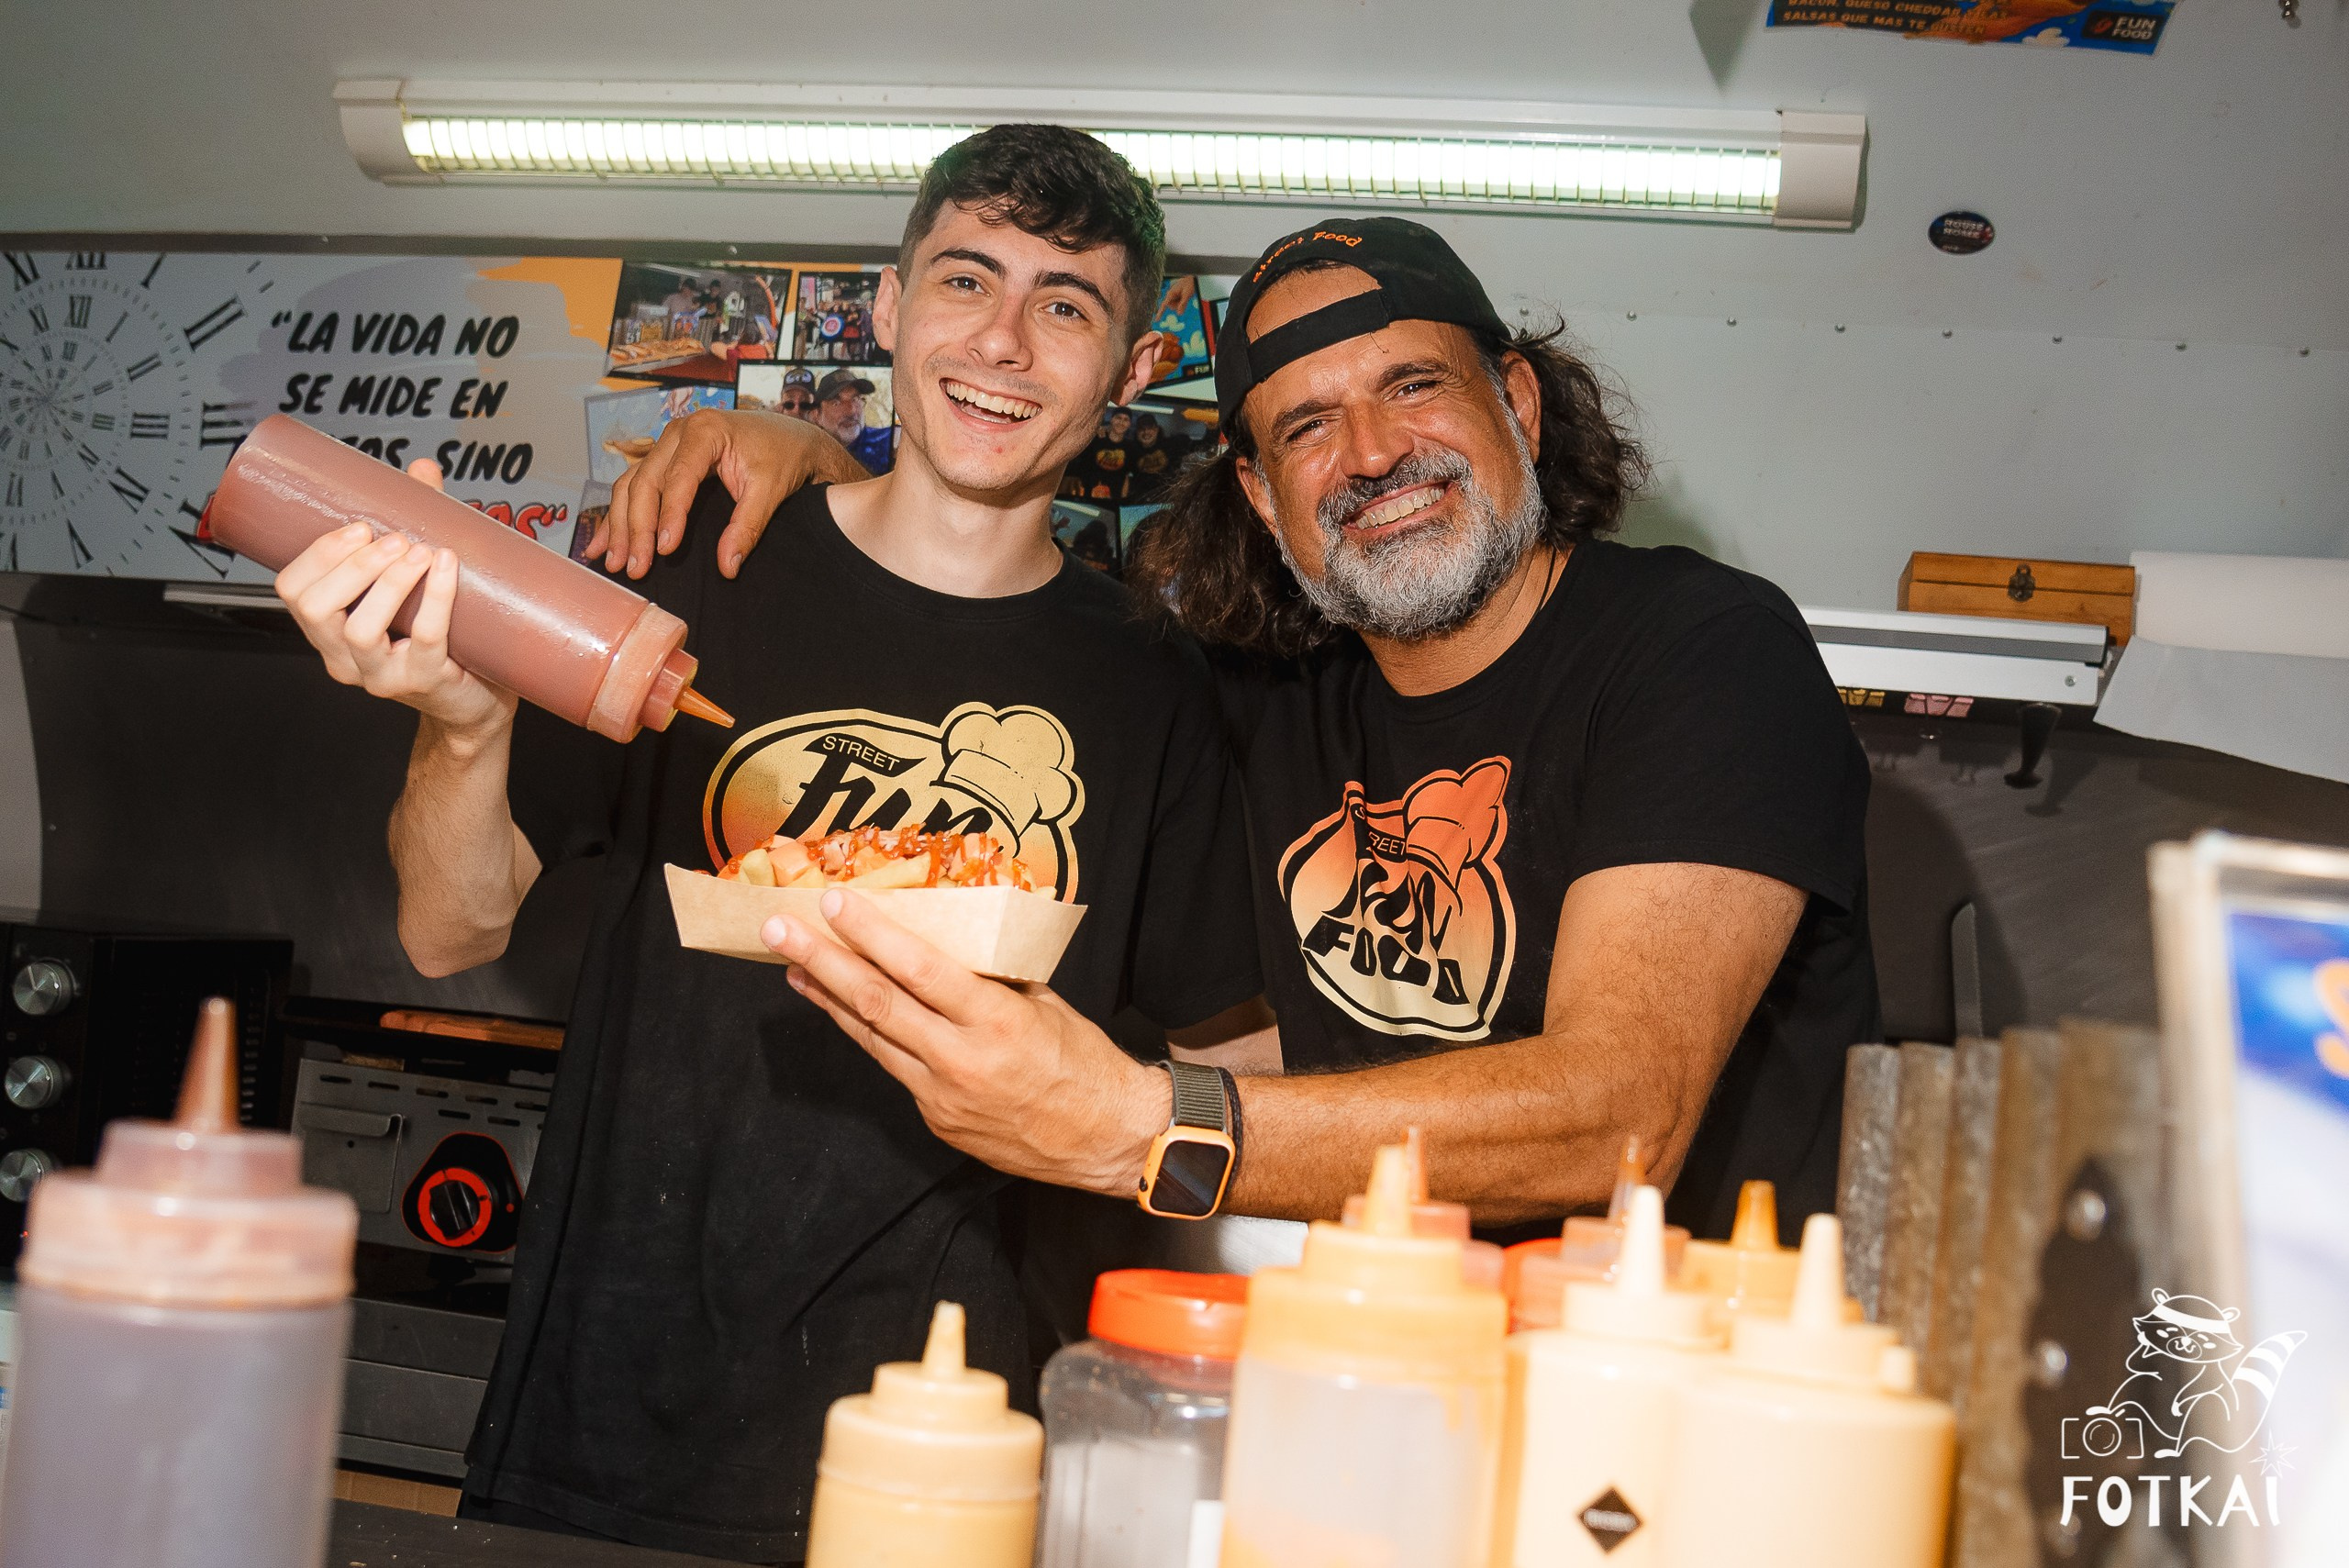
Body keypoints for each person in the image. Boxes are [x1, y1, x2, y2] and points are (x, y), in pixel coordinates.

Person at [267, 125, 1264, 1562]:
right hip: (603, 1426)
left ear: (1131, 366)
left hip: (956, 1461)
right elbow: (446, 928)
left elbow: (1237, 1075)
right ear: (887, 307)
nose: (1002, 341)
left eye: (1065, 305)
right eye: (965, 280)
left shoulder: (1162, 689)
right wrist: (463, 722)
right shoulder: (691, 568)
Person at [594, 216, 1877, 1244]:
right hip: (1385, 1362)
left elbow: (1618, 1114)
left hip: (1693, 1387)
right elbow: (954, 540)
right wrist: (806, 452)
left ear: (1521, 406)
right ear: (1262, 497)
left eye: (1413, 386)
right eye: (1306, 426)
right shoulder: (1256, 693)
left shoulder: (1703, 648)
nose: (1370, 454)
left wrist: (1135, 1123)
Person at [810, 367, 896, 474]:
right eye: (836, 403)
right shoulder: (809, 454)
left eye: (855, 400)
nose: (851, 411)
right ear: (816, 415)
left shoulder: (886, 441)